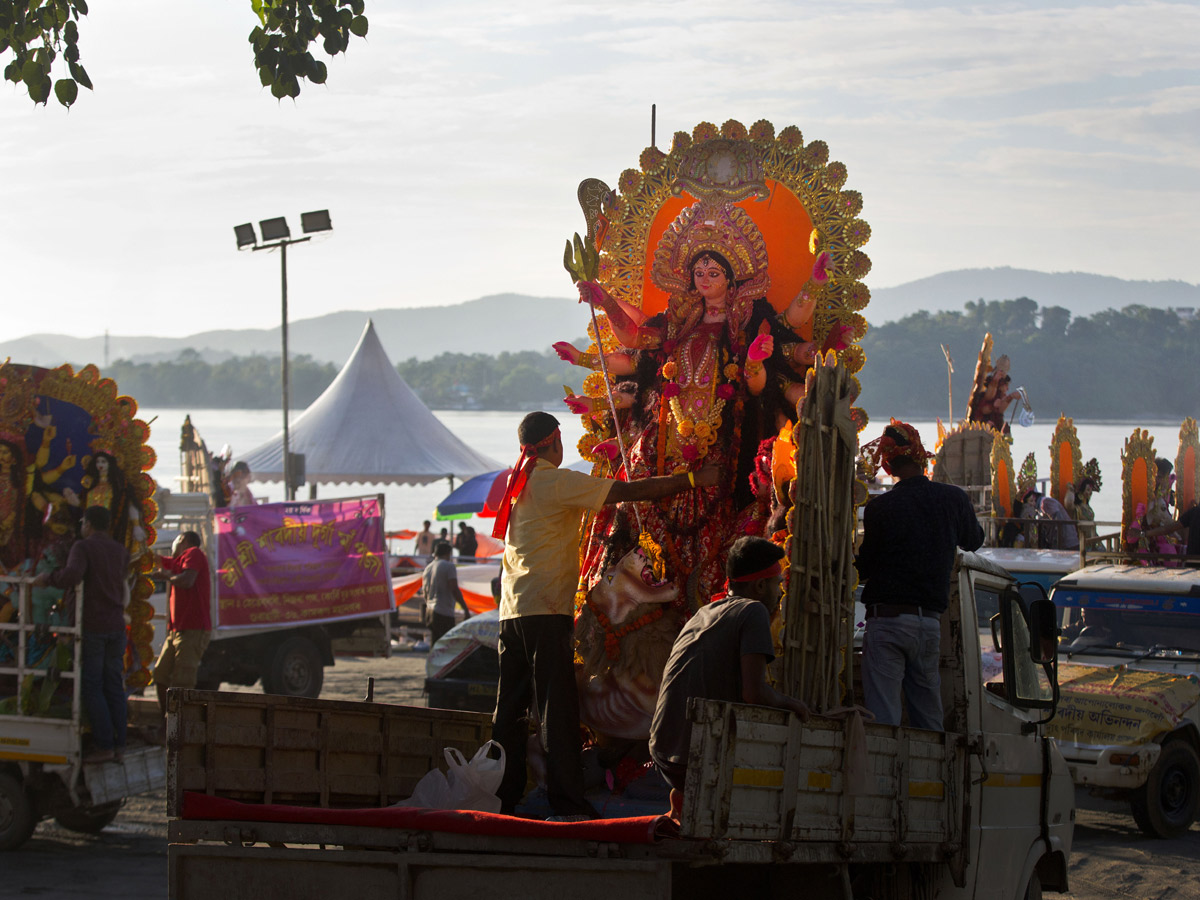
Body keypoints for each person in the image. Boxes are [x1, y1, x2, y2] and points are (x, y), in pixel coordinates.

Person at [490, 411, 718, 820]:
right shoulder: (554, 480)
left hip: (511, 612)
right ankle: (566, 801)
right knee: (556, 709)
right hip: (545, 612)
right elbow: (630, 491)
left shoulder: (515, 482)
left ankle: (502, 798)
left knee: (509, 710)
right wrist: (693, 481)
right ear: (556, 442)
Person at [649, 537, 810, 818]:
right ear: (760, 586)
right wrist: (793, 704)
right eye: (778, 584)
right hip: (694, 757)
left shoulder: (704, 612)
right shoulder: (753, 611)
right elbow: (754, 693)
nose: (780, 591)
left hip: (662, 752)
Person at [855, 421, 983, 730]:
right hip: (928, 624)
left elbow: (865, 567)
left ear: (888, 464)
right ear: (920, 456)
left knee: (883, 719)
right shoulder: (952, 499)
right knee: (928, 717)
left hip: (886, 621)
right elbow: (974, 541)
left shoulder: (880, 508)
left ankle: (883, 777)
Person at [33, 506, 131, 763]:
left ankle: (104, 745)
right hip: (116, 627)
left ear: (87, 524)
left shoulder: (83, 547)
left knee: (92, 685)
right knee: (113, 686)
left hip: (94, 627)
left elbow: (72, 576)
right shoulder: (120, 551)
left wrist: (47, 578)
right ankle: (119, 746)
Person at [151, 531, 213, 719]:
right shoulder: (178, 562)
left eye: (176, 540)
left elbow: (187, 581)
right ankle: (168, 725)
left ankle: (178, 732)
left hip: (192, 630)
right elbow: (158, 561)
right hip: (177, 631)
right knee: (160, 676)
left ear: (183, 540)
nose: (173, 544)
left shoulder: (193, 553)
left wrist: (166, 577)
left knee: (182, 683)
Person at [422, 540, 470, 645]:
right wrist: (465, 609)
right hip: (443, 612)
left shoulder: (427, 568)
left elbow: (424, 592)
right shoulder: (448, 566)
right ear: (448, 553)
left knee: (435, 645)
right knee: (446, 646)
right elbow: (454, 588)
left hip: (429, 611)